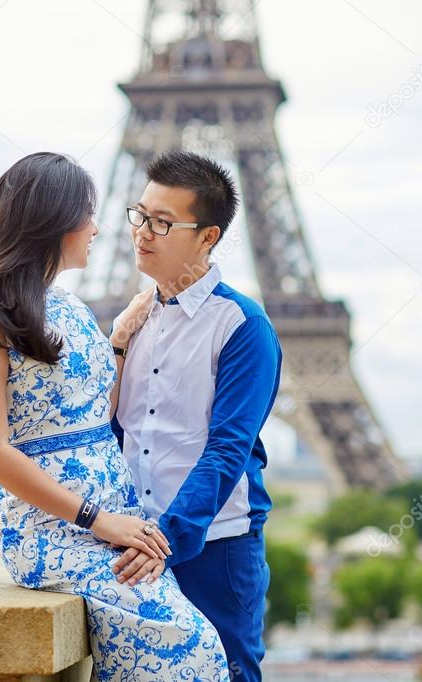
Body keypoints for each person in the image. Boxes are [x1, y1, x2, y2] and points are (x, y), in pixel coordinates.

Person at [0, 151, 230, 680]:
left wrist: (117, 341)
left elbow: (98, 410)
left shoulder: (69, 307)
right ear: (54, 220)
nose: (98, 227)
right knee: (190, 645)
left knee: (188, 651)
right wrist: (98, 520)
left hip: (114, 520)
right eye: (88, 214)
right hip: (54, 530)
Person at [109, 150, 283, 682]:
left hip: (214, 549)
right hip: (131, 545)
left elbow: (227, 449)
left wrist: (167, 540)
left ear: (207, 237)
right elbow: (114, 432)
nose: (144, 232)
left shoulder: (243, 326)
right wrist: (116, 345)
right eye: (140, 215)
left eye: (163, 222)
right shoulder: (133, 322)